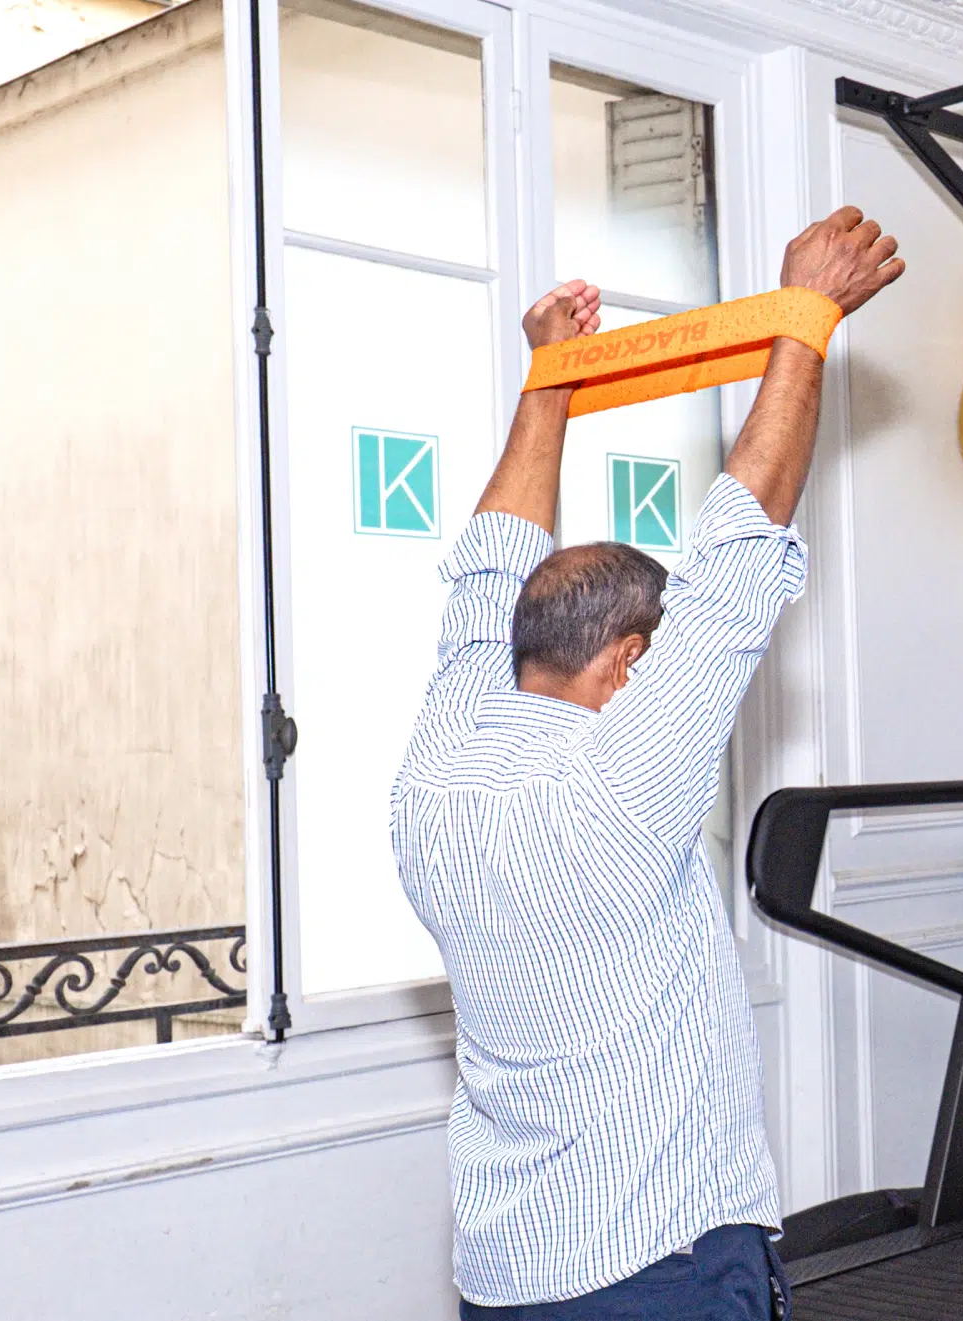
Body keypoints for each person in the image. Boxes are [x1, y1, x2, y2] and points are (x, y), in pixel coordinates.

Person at [391, 207, 904, 1320]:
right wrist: (805, 318)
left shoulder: (430, 777)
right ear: (626, 661)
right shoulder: (614, 790)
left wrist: (551, 380)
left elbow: (485, 581)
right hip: (659, 1266)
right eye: (653, 655)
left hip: (507, 1274)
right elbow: (736, 553)